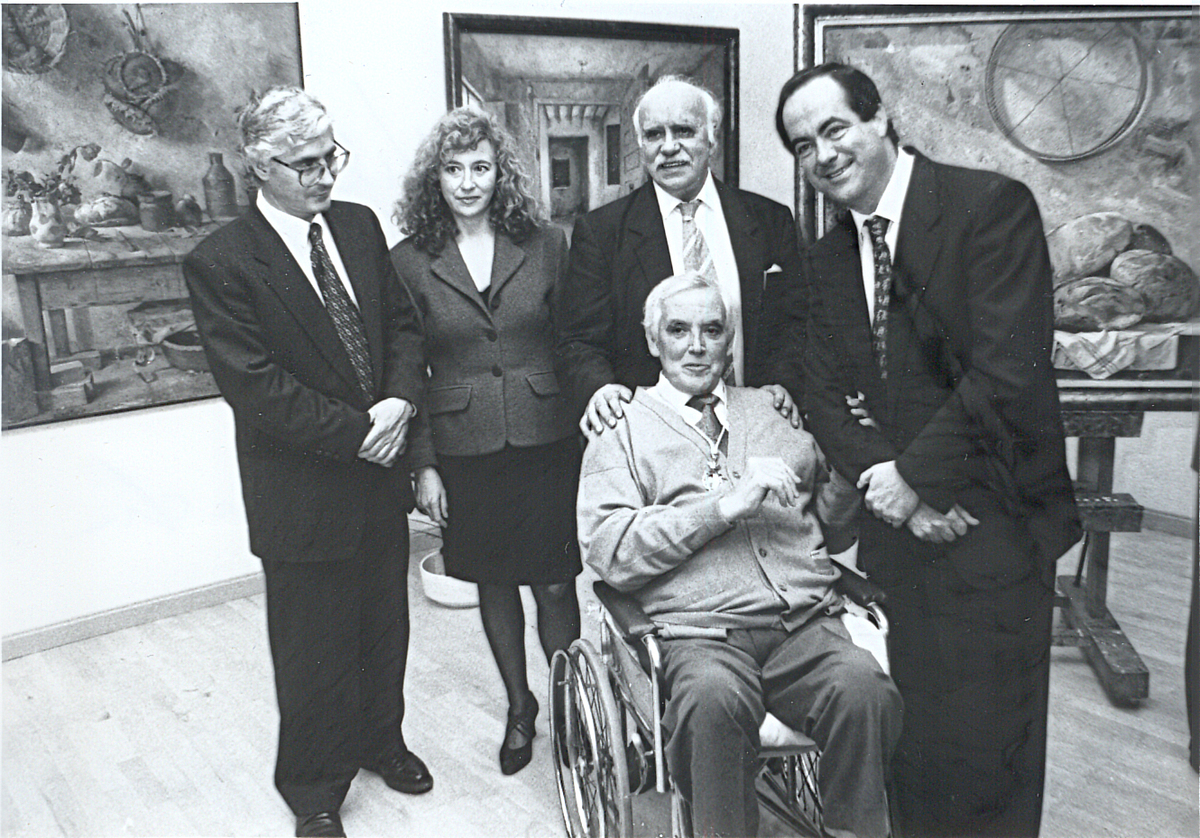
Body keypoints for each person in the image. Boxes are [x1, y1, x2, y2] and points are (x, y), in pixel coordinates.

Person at [776, 63, 1082, 838]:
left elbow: (1009, 370)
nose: (823, 155)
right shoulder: (824, 255)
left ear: (880, 119)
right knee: (914, 742)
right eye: (804, 146)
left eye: (834, 129)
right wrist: (894, 490)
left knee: (991, 754)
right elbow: (819, 391)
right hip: (900, 535)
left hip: (996, 525)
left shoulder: (989, 208)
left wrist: (914, 478)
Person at [183, 87, 433, 838]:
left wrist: (398, 403)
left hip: (377, 477)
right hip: (301, 490)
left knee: (384, 627)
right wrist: (361, 430)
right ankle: (314, 788)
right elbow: (254, 387)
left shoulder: (356, 227)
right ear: (260, 166)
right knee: (312, 646)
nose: (326, 176)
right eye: (305, 164)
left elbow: (402, 328)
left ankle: (379, 742)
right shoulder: (221, 261)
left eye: (332, 157)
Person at [577, 272, 902, 838]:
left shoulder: (772, 411)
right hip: (699, 634)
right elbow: (611, 549)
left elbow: (829, 524)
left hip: (803, 625)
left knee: (865, 690)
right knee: (711, 703)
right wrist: (723, 507)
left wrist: (856, 468)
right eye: (678, 330)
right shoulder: (621, 429)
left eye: (712, 330)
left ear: (731, 341)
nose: (696, 345)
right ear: (653, 341)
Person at [391, 108, 581, 777]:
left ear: (501, 172)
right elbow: (406, 372)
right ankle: (521, 708)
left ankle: (571, 706)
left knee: (556, 584)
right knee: (495, 582)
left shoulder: (548, 242)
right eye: (453, 168)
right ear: (433, 179)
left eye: (480, 167)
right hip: (464, 446)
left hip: (548, 436)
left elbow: (572, 340)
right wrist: (425, 467)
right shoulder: (410, 261)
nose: (467, 182)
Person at [555, 75, 806, 438]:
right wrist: (599, 388)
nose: (669, 147)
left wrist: (784, 384)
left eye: (684, 131)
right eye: (655, 134)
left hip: (758, 425)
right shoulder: (602, 232)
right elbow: (578, 341)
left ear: (711, 137)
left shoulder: (769, 219)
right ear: (641, 146)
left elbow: (798, 323)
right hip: (653, 437)